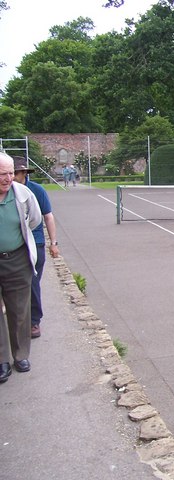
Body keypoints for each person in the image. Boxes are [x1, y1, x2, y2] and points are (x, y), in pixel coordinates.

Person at [0, 151, 42, 383]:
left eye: (9, 173)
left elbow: (34, 219)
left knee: (19, 311)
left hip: (17, 259)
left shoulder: (23, 193)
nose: (8, 178)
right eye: (2, 174)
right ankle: (1, 360)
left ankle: (20, 355)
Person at [13, 157, 60, 338]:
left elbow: (48, 216)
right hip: (15, 244)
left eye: (14, 173)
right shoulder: (6, 192)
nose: (10, 177)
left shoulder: (36, 190)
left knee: (32, 282)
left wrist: (53, 243)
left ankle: (33, 321)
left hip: (36, 243)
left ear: (23, 173)